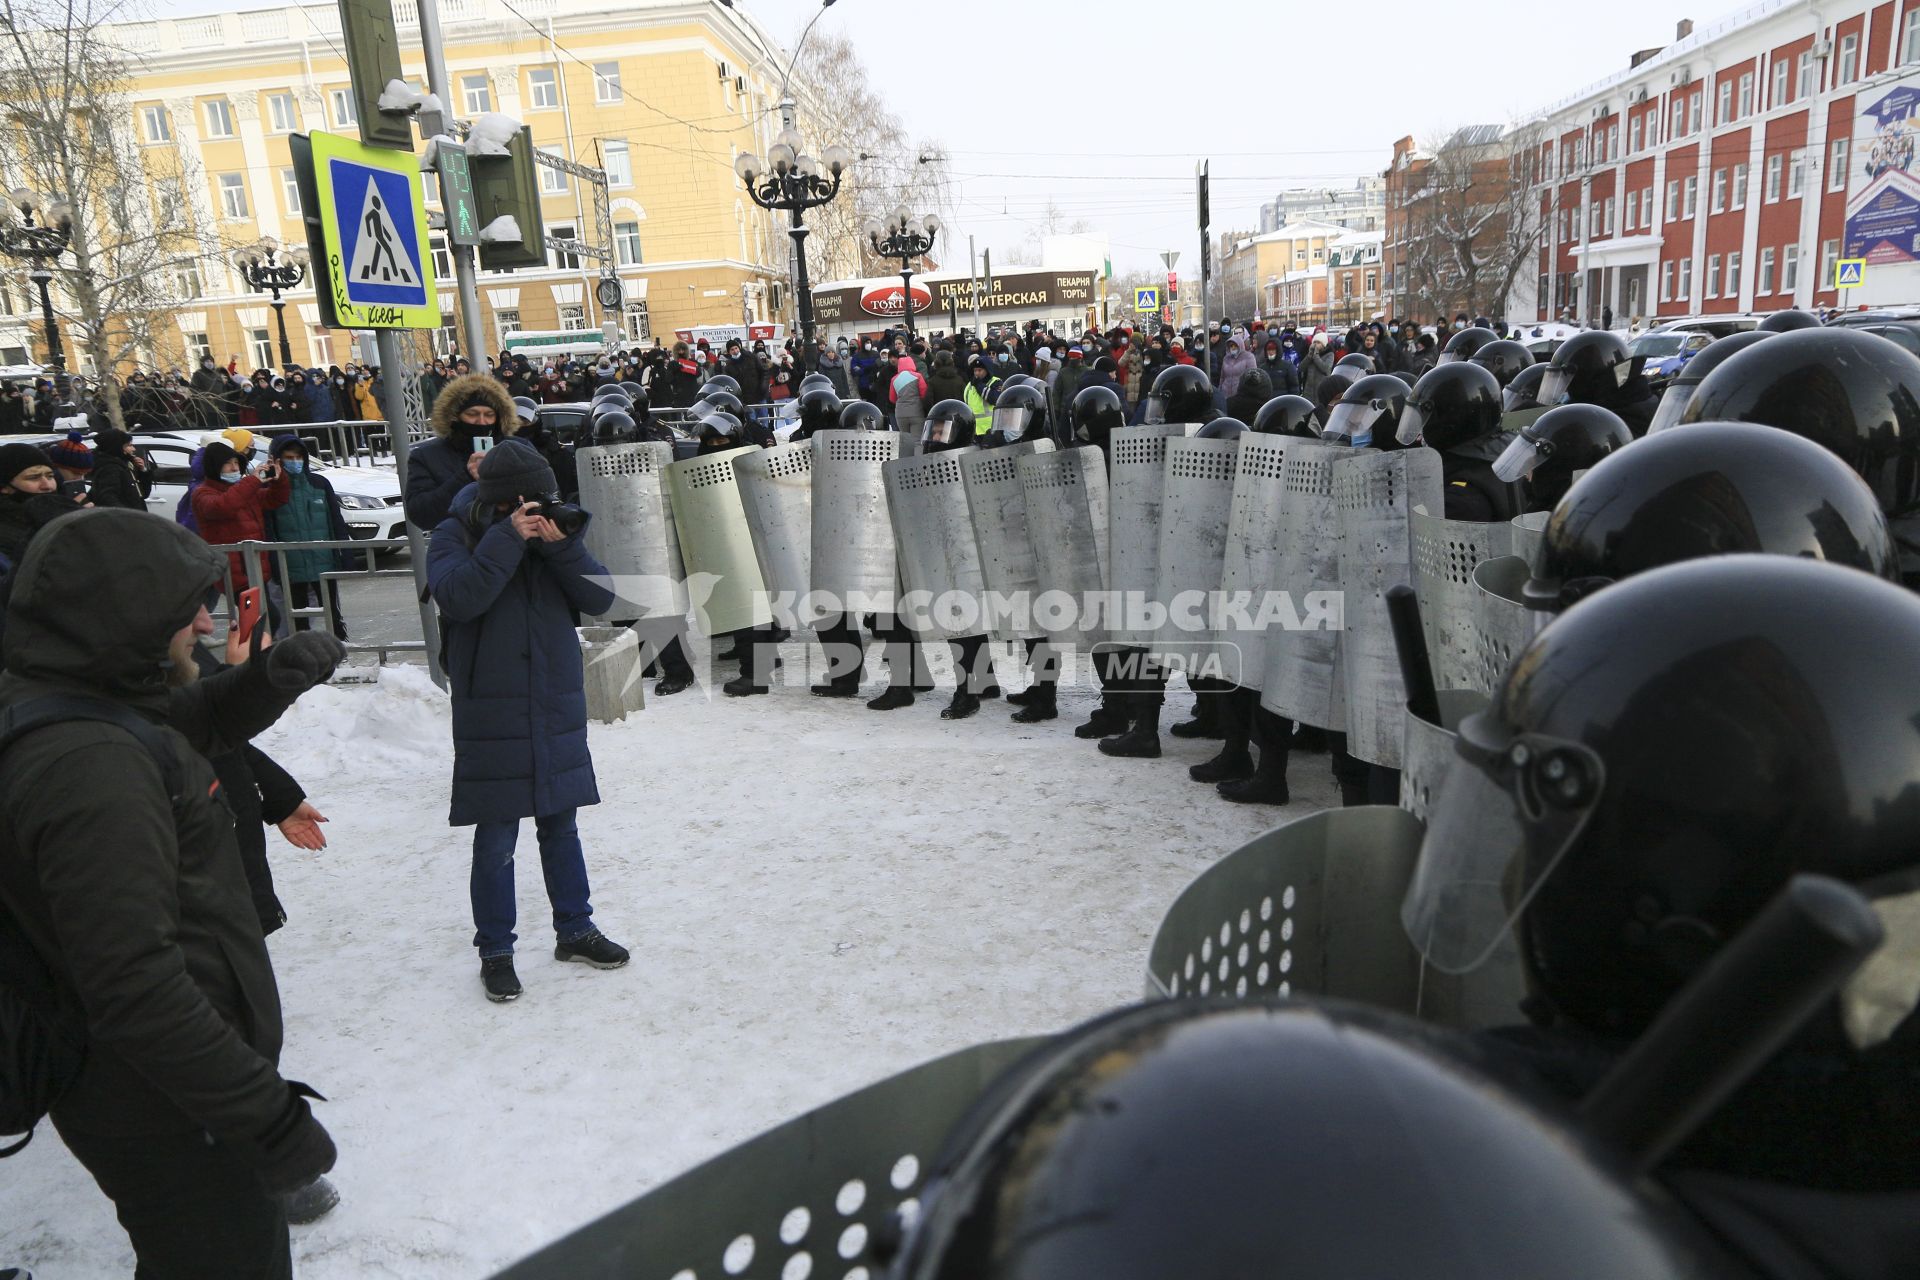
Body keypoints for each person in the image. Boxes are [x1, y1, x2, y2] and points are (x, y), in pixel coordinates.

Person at [0, 509, 346, 1278]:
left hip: (167, 1091)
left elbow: (158, 725)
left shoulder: (72, 693)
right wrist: (267, 1118)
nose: (202, 619)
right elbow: (133, 983)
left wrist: (256, 685)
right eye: (182, 607)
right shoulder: (87, 768)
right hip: (164, 1103)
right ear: (120, 620)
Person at [426, 439, 629, 1002]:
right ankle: (496, 950)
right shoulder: (456, 533)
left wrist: (562, 548)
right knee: (496, 836)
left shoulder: (553, 534)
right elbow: (460, 598)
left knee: (561, 823)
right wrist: (505, 539)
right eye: (524, 502)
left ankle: (575, 929)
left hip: (553, 699)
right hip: (491, 704)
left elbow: (602, 598)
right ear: (500, 501)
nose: (536, 510)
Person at [404, 372, 519, 532]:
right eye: (472, 414)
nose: (481, 421)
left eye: (489, 415)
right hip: (457, 547)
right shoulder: (426, 455)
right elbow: (420, 513)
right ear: (455, 417)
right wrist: (465, 476)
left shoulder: (517, 449)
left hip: (514, 545)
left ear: (499, 418)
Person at [263, 436, 351, 639]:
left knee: (333, 615)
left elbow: (336, 520)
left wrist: (345, 552)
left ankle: (340, 648)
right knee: (298, 618)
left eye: (298, 456)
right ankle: (304, 656)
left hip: (323, 561)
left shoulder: (319, 484)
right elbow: (268, 529)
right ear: (277, 459)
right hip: (291, 565)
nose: (294, 461)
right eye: (288, 457)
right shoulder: (271, 489)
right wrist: (275, 563)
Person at [191, 440, 290, 613]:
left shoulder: (243, 490)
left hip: (255, 569)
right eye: (228, 464)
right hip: (234, 575)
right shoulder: (203, 493)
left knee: (259, 619)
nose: (235, 468)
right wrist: (252, 481)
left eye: (236, 462)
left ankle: (252, 641)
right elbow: (223, 506)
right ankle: (250, 641)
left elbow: (276, 499)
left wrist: (279, 479)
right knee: (261, 618)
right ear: (215, 467)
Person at [0, 443, 82, 567]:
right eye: (33, 478)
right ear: (5, 487)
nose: (47, 486)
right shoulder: (8, 529)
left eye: (50, 476)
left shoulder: (62, 509)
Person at [86, 428, 153, 512]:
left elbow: (143, 493)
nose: (134, 449)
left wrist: (142, 470)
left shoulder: (127, 464)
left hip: (136, 516)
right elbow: (108, 498)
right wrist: (125, 516)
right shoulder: (110, 468)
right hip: (126, 519)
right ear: (117, 447)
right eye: (129, 445)